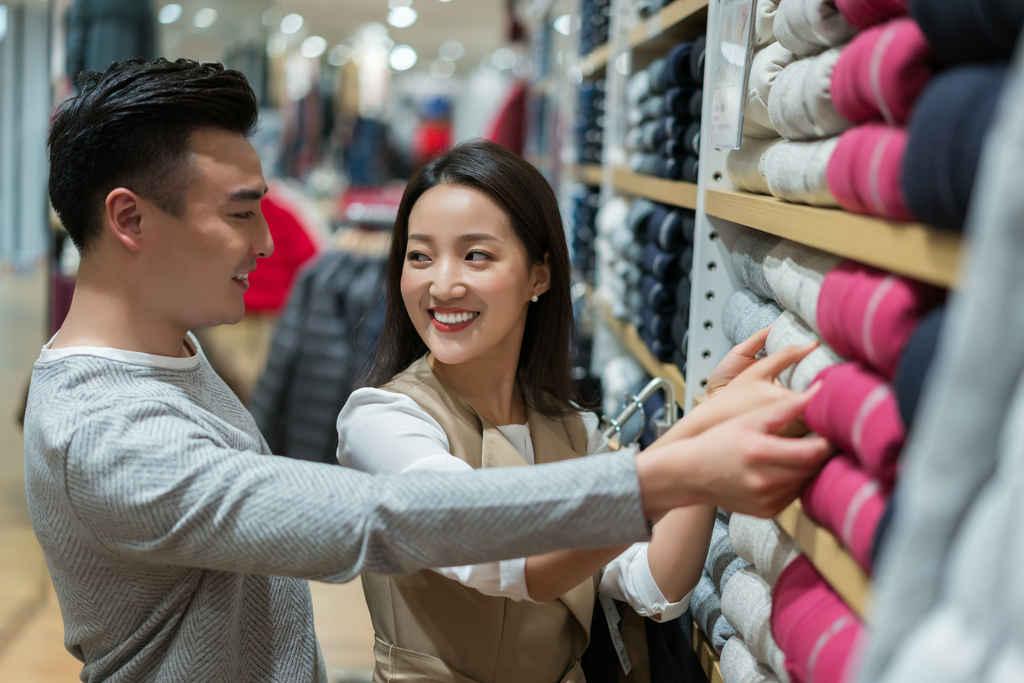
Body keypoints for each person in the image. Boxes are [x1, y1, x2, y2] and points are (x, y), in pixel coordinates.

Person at [25, 58, 829, 683]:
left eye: (481, 256)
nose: (269, 243)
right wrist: (668, 471)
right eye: (242, 212)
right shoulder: (107, 436)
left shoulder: (169, 351)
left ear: (540, 273)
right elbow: (385, 513)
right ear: (129, 218)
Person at [336, 139, 828, 682]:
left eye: (476, 255)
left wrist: (714, 415)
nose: (443, 283)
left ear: (539, 276)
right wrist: (697, 443)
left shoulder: (572, 428)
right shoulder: (382, 422)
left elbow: (654, 589)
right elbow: (510, 555)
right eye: (420, 256)